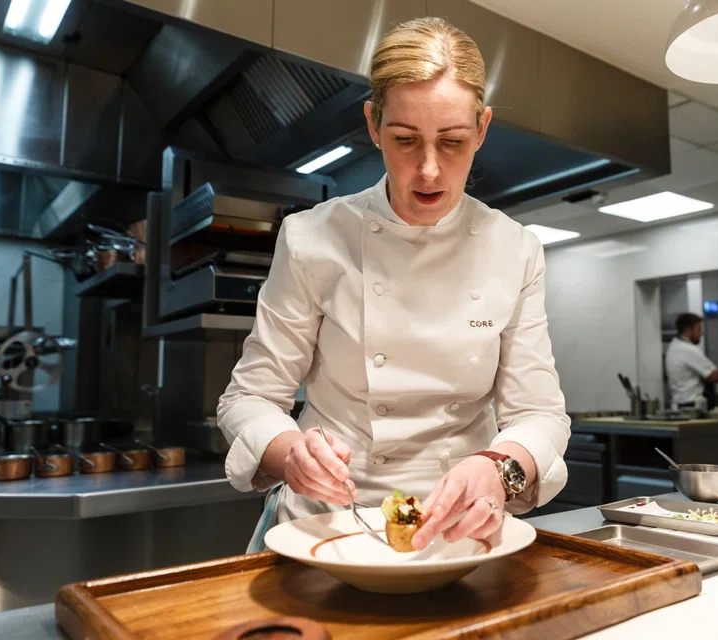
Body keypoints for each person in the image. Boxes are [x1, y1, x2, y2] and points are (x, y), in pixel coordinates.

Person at [217, 17, 570, 553]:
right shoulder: (312, 237)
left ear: (482, 129)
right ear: (373, 124)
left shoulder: (515, 248)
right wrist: (290, 452)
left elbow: (540, 413)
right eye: (405, 140)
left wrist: (499, 469)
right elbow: (248, 396)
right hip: (328, 526)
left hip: (459, 530)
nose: (428, 170)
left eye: (452, 141)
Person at [664, 313, 718, 409]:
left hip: (678, 404)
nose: (701, 334)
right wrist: (702, 378)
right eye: (698, 329)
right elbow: (716, 376)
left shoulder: (673, 346)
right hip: (692, 405)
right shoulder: (688, 349)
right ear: (688, 331)